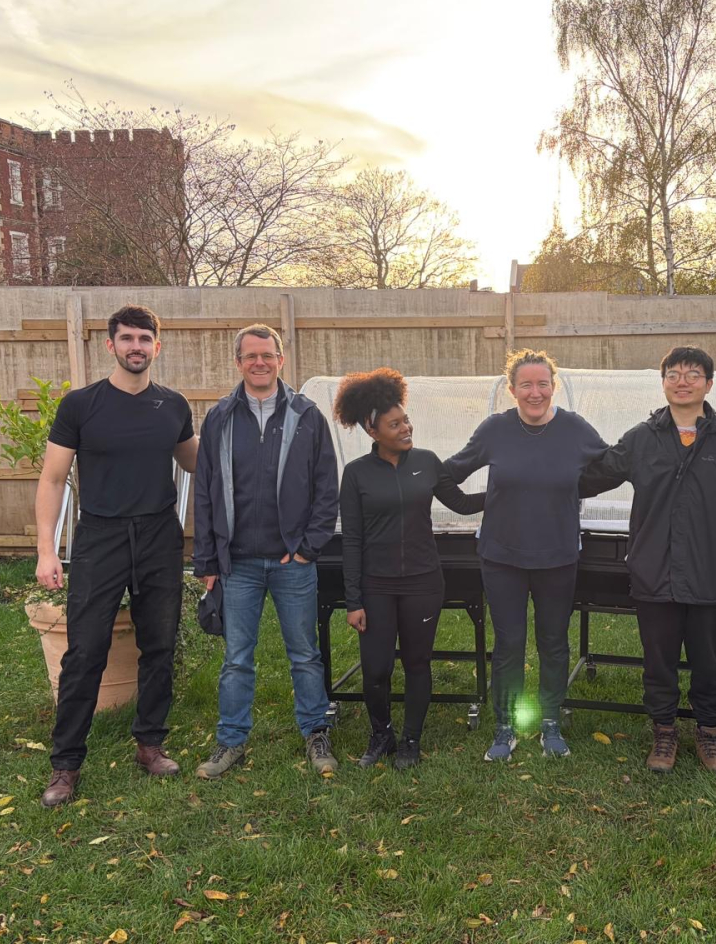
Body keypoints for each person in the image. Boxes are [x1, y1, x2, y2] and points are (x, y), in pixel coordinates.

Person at [579, 346, 716, 775]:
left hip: (710, 573)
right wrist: (543, 466)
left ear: (708, 383)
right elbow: (592, 476)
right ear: (663, 381)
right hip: (655, 571)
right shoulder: (641, 438)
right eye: (673, 373)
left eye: (693, 374)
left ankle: (710, 735)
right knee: (659, 659)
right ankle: (664, 732)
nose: (682, 380)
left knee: (709, 662)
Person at [35, 304, 198, 808]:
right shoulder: (81, 405)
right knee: (84, 650)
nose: (135, 347)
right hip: (100, 536)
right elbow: (53, 479)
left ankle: (150, 744)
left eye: (144, 339)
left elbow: (201, 464)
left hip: (157, 535)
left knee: (160, 645)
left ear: (156, 346)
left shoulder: (172, 406)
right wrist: (46, 551)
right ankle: (66, 764)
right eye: (126, 338)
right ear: (110, 345)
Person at [444, 349, 608, 761]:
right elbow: (450, 472)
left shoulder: (575, 429)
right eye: (525, 385)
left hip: (558, 556)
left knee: (554, 642)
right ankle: (505, 726)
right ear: (511, 389)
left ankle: (550, 722)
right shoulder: (494, 430)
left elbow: (612, 467)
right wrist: (479, 502)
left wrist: (572, 488)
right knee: (509, 643)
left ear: (553, 386)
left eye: (542, 384)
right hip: (502, 558)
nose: (535, 393)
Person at [193, 324, 339, 778]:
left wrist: (308, 549)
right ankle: (230, 741)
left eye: (267, 354)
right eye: (250, 355)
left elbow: (326, 489)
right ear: (238, 362)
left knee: (305, 655)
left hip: (291, 562)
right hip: (237, 564)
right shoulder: (219, 417)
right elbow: (205, 492)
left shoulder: (307, 416)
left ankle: (316, 735)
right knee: (237, 658)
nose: (260, 362)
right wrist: (207, 560)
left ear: (282, 359)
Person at [333, 368, 485, 769]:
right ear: (373, 430)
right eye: (395, 424)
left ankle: (411, 741)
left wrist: (507, 490)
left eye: (406, 420)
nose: (406, 428)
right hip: (376, 586)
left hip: (423, 582)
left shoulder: (427, 462)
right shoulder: (357, 474)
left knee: (418, 662)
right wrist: (354, 600)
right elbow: (352, 539)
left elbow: (464, 504)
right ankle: (380, 734)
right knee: (376, 667)